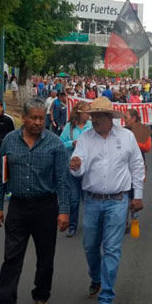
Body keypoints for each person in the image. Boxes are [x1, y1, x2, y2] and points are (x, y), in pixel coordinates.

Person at [0, 98, 70, 304]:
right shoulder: (9, 141)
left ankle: (41, 296)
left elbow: (63, 182)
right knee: (11, 258)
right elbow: (2, 175)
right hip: (18, 207)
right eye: (33, 118)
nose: (37, 122)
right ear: (23, 119)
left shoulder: (55, 144)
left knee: (45, 257)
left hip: (46, 207)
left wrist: (63, 211)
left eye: (41, 118)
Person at [69, 97, 144, 304]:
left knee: (111, 249)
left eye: (98, 116)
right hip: (91, 201)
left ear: (109, 117)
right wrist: (75, 166)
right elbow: (77, 167)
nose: (94, 119)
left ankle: (106, 299)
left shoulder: (127, 137)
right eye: (92, 116)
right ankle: (96, 277)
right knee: (90, 245)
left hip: (117, 201)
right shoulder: (85, 138)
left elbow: (137, 166)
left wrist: (137, 195)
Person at [60, 102, 93, 237]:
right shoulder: (70, 127)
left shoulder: (91, 127)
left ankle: (89, 225)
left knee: (88, 198)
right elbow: (60, 143)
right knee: (73, 199)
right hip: (72, 168)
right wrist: (71, 143)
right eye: (86, 112)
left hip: (88, 168)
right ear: (79, 113)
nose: (89, 115)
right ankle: (72, 226)